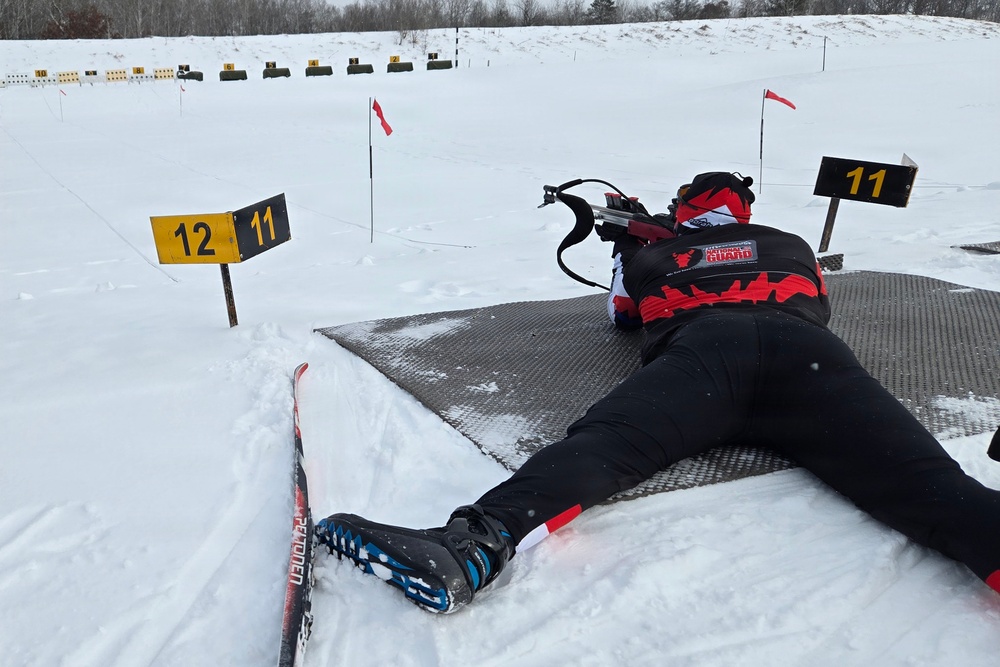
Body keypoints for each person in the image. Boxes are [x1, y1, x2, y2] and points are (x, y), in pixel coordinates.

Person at [315, 171, 1000, 614]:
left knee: (602, 446)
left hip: (706, 355)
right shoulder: (791, 242)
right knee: (927, 483)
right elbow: (815, 302)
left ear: (682, 213)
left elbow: (622, 316)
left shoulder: (655, 255)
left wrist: (629, 247)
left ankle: (471, 546)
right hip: (807, 356)